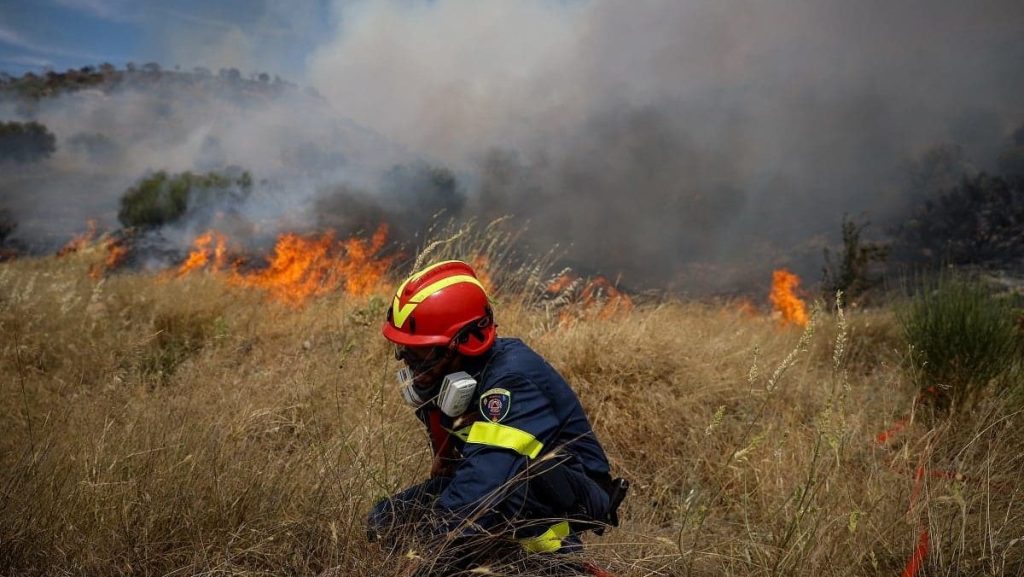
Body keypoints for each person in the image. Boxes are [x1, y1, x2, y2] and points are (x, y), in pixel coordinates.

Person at [368, 260, 627, 573]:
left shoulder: (511, 380)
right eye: (404, 350)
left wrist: (431, 558)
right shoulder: (448, 378)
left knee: (504, 499)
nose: (409, 364)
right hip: (502, 478)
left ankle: (557, 565)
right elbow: (452, 469)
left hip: (563, 491)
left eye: (420, 353)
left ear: (464, 343)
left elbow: (482, 485)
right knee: (386, 520)